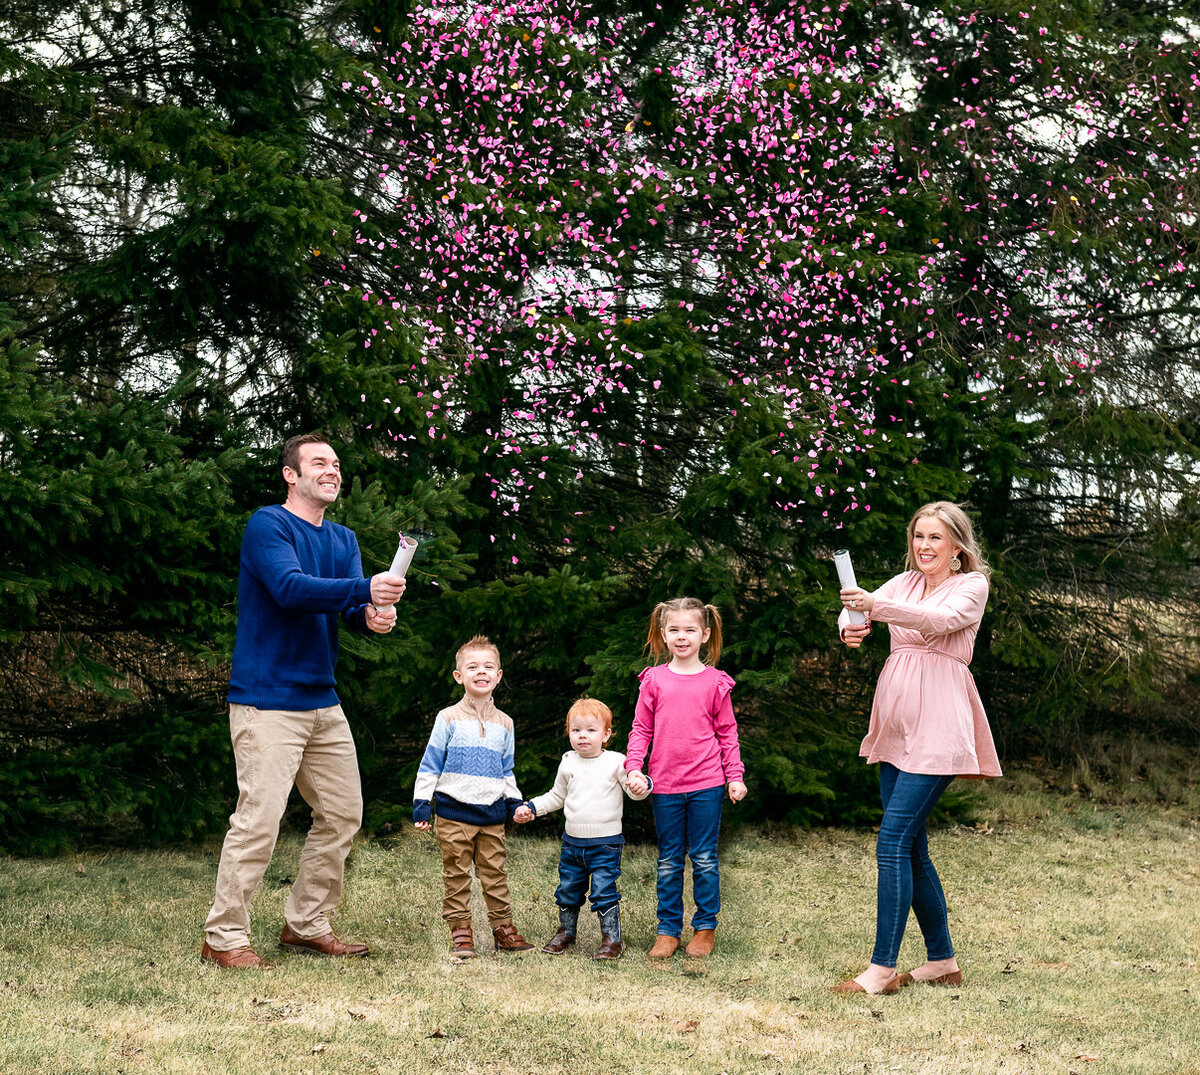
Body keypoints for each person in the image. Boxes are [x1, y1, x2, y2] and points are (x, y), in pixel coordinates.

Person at [201, 433, 406, 969]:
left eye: (336, 463)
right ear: (291, 474)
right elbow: (290, 589)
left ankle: (306, 924)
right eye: (319, 462)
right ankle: (224, 938)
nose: (332, 470)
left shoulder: (342, 538)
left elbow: (346, 606)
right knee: (258, 820)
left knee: (342, 814)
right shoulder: (268, 525)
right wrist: (363, 590)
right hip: (267, 700)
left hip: (322, 700)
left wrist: (370, 614)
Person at [833, 501, 1001, 995]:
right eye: (918, 536)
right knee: (912, 847)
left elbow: (936, 620)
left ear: (957, 546)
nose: (924, 546)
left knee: (892, 842)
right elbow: (858, 609)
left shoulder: (972, 586)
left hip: (940, 725)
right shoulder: (904, 582)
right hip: (898, 724)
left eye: (936, 537)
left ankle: (882, 969)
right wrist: (850, 624)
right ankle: (942, 961)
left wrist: (873, 607)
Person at [625, 598, 747, 960]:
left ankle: (705, 928)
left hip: (707, 783)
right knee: (669, 859)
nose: (682, 637)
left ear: (705, 635)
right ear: (663, 634)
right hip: (665, 785)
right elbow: (641, 729)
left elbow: (727, 733)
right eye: (674, 630)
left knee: (705, 857)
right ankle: (668, 930)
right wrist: (634, 767)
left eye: (690, 630)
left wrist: (734, 776)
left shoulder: (715, 682)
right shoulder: (654, 680)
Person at [413, 635, 534, 958]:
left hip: (492, 815)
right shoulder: (448, 718)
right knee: (457, 874)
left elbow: (506, 770)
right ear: (459, 676)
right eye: (473, 667)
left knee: (495, 874)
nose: (481, 672)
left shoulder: (505, 724)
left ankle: (503, 929)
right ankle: (461, 932)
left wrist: (514, 803)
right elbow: (430, 764)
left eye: (488, 667)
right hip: (453, 813)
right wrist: (422, 803)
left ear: (499, 675)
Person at [513, 697, 651, 959]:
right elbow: (557, 796)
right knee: (568, 889)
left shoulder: (616, 762)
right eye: (576, 730)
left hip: (606, 844)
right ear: (569, 733)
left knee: (603, 890)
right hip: (573, 844)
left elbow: (635, 793)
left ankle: (612, 939)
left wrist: (641, 785)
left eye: (590, 730)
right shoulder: (568, 762)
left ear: (606, 734)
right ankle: (566, 932)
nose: (582, 736)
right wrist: (532, 808)